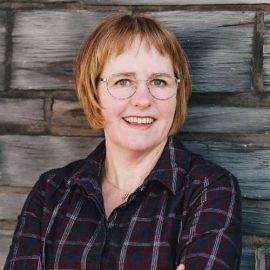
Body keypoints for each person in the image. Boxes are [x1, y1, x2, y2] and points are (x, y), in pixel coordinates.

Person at [4, 14, 242, 269]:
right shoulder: (50, 192)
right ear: (93, 92)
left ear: (178, 92)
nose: (142, 99)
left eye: (159, 82)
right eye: (123, 81)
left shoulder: (209, 190)